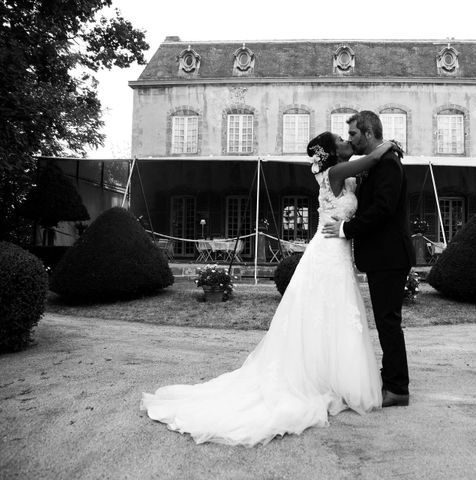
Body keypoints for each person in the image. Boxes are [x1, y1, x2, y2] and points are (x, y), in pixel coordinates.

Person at [140, 132, 398, 447]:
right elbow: (372, 158)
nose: (347, 141)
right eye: (342, 140)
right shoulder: (334, 172)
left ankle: (330, 374)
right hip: (328, 251)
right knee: (325, 311)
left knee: (332, 314)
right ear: (331, 152)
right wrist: (389, 145)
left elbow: (365, 172)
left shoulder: (339, 171)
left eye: (349, 137)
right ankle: (320, 378)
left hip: (337, 250)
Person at [323, 111, 416, 408]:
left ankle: (398, 388)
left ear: (368, 133)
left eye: (352, 134)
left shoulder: (388, 163)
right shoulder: (377, 162)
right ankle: (391, 377)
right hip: (382, 256)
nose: (349, 139)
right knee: (385, 320)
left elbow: (382, 210)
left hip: (389, 256)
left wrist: (345, 228)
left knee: (388, 322)